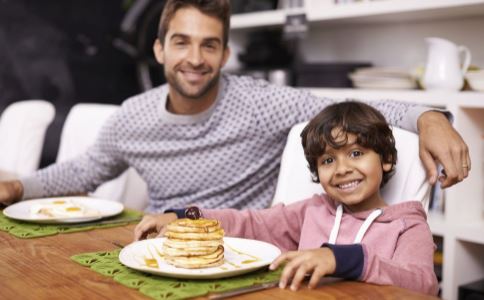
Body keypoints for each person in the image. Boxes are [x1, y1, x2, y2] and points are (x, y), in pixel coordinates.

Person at [0, 0, 470, 212]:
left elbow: (345, 106)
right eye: (181, 43)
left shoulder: (260, 104)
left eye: (210, 46)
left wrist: (429, 116)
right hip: (159, 248)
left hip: (246, 258)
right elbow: (82, 173)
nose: (195, 59)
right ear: (160, 50)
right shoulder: (133, 118)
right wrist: (18, 188)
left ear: (225, 55)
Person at [134, 101, 439, 295]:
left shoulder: (407, 224)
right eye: (328, 161)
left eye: (356, 153)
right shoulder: (314, 211)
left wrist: (344, 259)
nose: (343, 169)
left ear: (386, 159)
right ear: (317, 172)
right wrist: (186, 216)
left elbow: (423, 283)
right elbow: (250, 223)